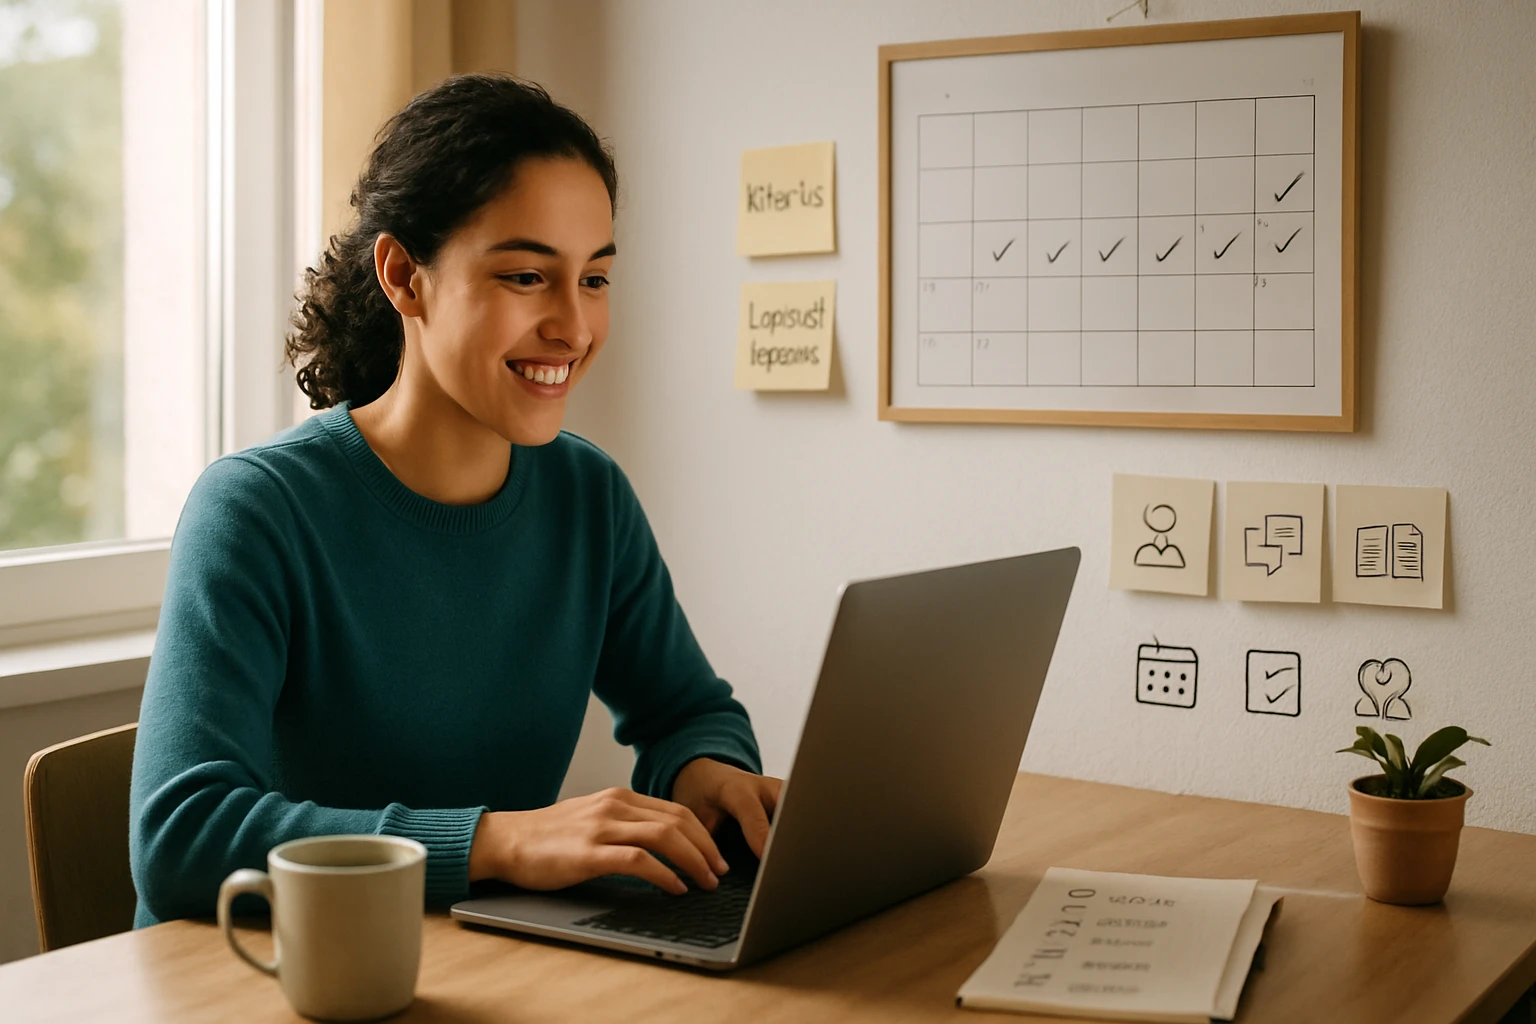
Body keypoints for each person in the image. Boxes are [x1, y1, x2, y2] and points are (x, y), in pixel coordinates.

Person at [128, 74, 781, 926]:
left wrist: (710, 773)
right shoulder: (257, 511)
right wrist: (497, 843)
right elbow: (182, 835)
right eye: (524, 277)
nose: (574, 328)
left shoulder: (589, 498)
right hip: (270, 980)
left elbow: (687, 710)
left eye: (594, 280)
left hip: (475, 968)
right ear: (404, 276)